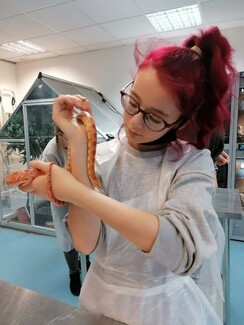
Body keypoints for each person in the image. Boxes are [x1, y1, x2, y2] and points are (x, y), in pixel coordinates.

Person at [20, 26, 236, 324]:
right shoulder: (107, 156)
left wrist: (77, 192)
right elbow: (85, 243)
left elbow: (181, 250)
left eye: (154, 117)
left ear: (182, 122)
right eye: (132, 102)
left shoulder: (191, 163)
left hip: (163, 307)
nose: (133, 123)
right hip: (102, 300)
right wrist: (79, 142)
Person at [41, 126, 90, 296]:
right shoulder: (50, 153)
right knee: (67, 237)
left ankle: (86, 261)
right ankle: (74, 273)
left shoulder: (80, 143)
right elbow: (48, 185)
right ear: (60, 135)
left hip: (81, 194)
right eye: (70, 135)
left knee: (84, 231)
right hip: (60, 198)